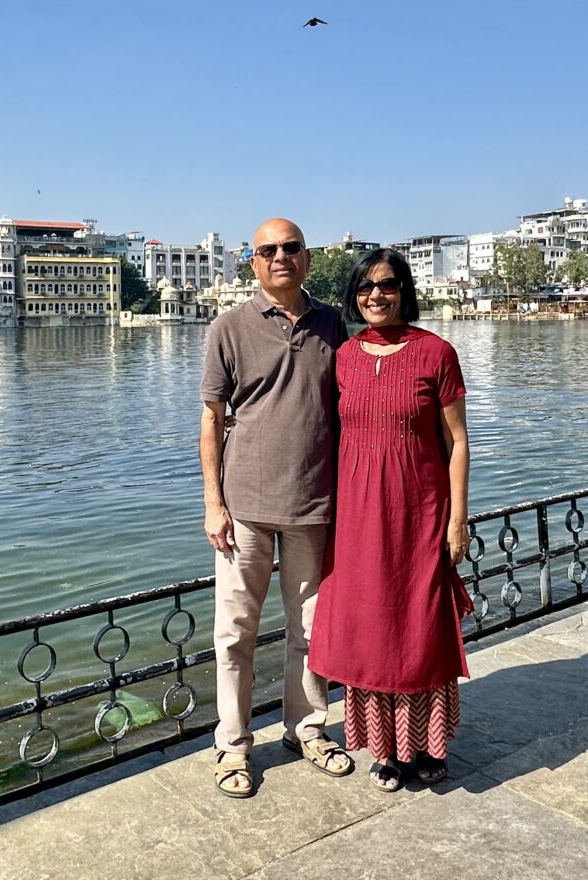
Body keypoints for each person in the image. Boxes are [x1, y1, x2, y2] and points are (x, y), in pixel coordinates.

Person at [308, 249, 471, 793]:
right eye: (365, 287)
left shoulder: (436, 353)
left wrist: (457, 519)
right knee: (371, 628)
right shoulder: (345, 358)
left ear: (404, 290)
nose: (375, 295)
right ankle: (385, 749)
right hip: (357, 515)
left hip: (420, 511)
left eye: (387, 285)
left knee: (419, 624)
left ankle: (426, 744)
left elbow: (457, 442)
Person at [200, 217, 352, 798]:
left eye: (291, 248)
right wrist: (213, 503)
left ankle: (306, 729)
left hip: (314, 504)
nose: (280, 257)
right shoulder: (228, 328)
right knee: (235, 633)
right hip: (244, 509)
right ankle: (233, 745)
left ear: (307, 258)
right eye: (268, 250)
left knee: (310, 631)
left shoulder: (332, 324)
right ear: (254, 261)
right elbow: (212, 420)